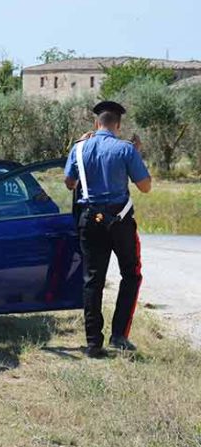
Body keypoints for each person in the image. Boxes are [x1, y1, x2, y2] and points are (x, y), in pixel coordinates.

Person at [64, 101, 152, 358]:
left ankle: (93, 343)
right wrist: (134, 155)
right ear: (118, 125)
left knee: (92, 281)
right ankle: (119, 335)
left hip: (90, 219)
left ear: (96, 124)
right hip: (121, 221)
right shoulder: (126, 149)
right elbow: (145, 187)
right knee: (131, 275)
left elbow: (70, 183)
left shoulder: (78, 148)